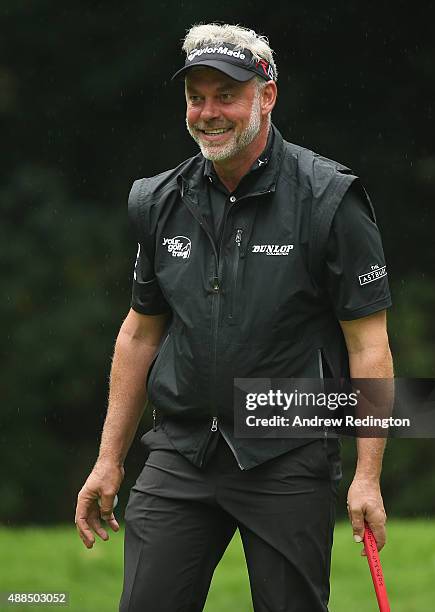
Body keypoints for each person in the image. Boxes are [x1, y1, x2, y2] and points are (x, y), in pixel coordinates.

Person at [75, 22, 393, 612]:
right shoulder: (159, 201)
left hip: (287, 455)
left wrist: (367, 474)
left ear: (266, 96)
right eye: (197, 96)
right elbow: (141, 332)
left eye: (227, 95)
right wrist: (108, 458)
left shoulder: (329, 199)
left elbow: (368, 345)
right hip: (181, 451)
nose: (209, 112)